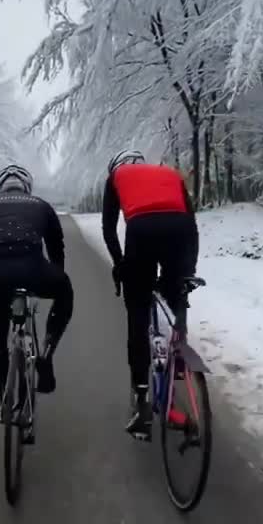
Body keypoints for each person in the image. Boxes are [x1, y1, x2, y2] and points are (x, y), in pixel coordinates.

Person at [101, 149, 199, 440]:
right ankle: (179, 358)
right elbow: (191, 224)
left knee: (138, 309)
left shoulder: (116, 177)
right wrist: (187, 273)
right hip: (179, 230)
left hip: (141, 230)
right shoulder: (169, 173)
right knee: (176, 292)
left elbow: (109, 229)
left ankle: (142, 399)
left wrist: (121, 266)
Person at [0, 164, 74, 423]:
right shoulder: (40, 204)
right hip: (32, 267)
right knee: (65, 291)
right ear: (27, 187)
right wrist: (54, 275)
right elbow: (56, 246)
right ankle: (46, 355)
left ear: (1, 187)